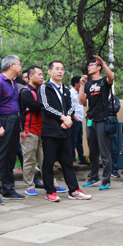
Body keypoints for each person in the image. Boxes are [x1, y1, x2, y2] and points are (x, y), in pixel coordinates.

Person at [39, 61, 92, 202]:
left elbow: (71, 106)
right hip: (50, 132)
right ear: (49, 71)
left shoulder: (66, 89)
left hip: (65, 131)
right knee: (49, 162)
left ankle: (74, 190)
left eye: (62, 69)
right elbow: (46, 107)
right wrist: (63, 118)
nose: (60, 71)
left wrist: (68, 117)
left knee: (68, 162)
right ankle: (50, 191)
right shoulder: (44, 87)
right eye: (57, 69)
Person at [20, 66, 68, 196]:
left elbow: (42, 107)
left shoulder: (42, 90)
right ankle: (29, 186)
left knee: (46, 160)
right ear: (31, 76)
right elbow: (38, 107)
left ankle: (52, 184)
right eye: (39, 74)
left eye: (42, 74)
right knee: (29, 160)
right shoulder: (25, 92)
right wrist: (44, 106)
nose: (42, 77)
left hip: (43, 131)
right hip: (29, 130)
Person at [0, 55, 25, 204]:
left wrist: (19, 127)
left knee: (10, 157)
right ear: (11, 66)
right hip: (3, 121)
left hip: (14, 121)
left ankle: (8, 190)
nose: (21, 67)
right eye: (19, 64)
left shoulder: (13, 82)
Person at [80, 55, 115, 189]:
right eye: (88, 66)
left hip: (102, 120)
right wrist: (82, 85)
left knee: (104, 152)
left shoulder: (104, 81)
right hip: (90, 120)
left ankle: (106, 180)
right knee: (92, 151)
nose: (89, 67)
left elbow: (111, 77)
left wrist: (103, 63)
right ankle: (94, 177)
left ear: (99, 67)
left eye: (92, 65)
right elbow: (81, 101)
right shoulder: (88, 84)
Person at [70, 76, 86, 167]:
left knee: (79, 140)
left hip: (80, 119)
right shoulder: (71, 93)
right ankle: (72, 159)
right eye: (80, 82)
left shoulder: (80, 93)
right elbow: (69, 106)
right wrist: (74, 117)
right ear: (76, 84)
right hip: (74, 119)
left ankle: (81, 158)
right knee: (73, 140)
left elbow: (84, 104)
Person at [108, 93, 122, 178]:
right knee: (100, 148)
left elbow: (116, 109)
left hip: (112, 124)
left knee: (114, 148)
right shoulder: (99, 97)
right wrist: (109, 110)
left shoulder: (115, 98)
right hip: (101, 123)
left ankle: (114, 170)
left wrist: (105, 109)